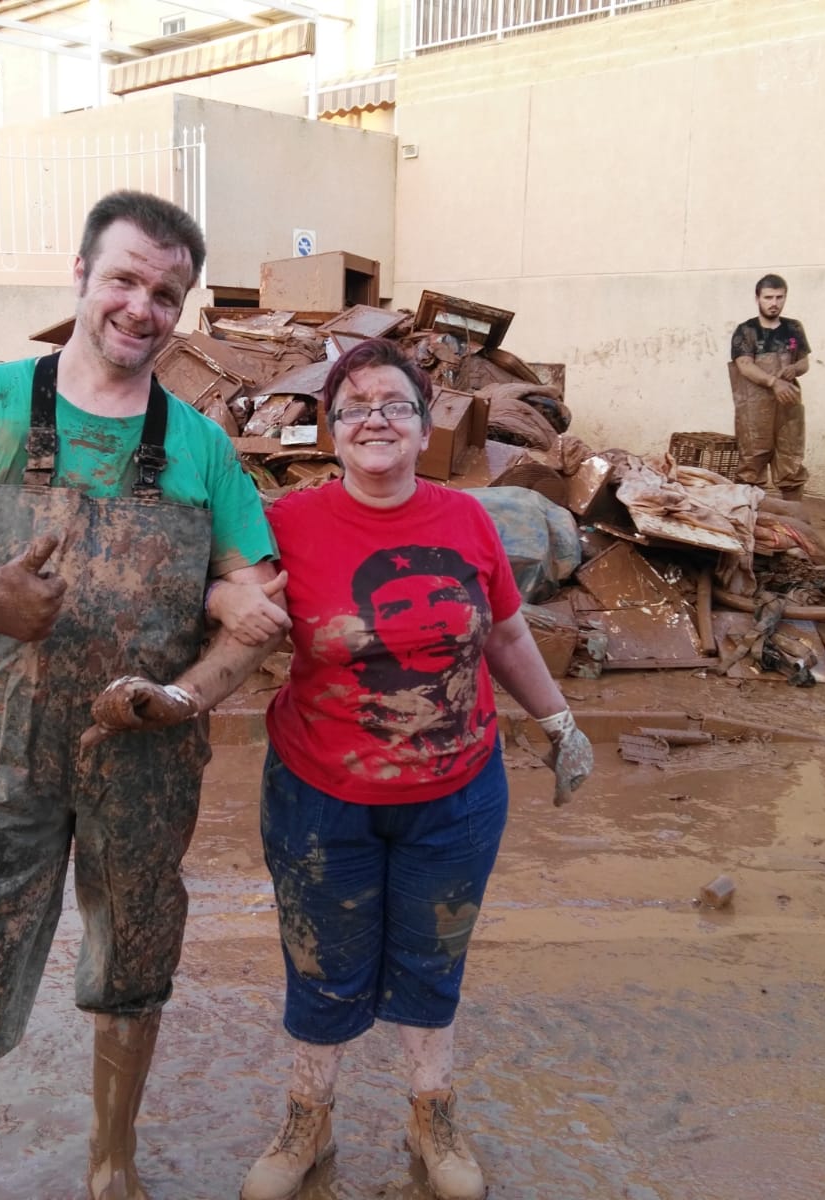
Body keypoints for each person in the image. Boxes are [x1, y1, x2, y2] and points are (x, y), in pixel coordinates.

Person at [0, 190, 286, 1200]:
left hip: (144, 764)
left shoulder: (200, 445)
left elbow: (252, 610)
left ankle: (112, 1167)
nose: (142, 308)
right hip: (7, 756)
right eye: (124, 280)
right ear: (80, 277)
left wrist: (185, 697)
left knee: (137, 952)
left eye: (166, 293)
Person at [214, 338, 596, 1200]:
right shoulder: (288, 527)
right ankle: (306, 1123)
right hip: (320, 795)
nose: (375, 419)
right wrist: (216, 607)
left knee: (434, 960)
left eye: (396, 405)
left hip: (456, 797)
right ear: (331, 430)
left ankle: (434, 1117)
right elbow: (229, 602)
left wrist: (560, 723)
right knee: (320, 963)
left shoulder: (468, 522)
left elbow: (502, 633)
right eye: (355, 407)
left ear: (425, 427)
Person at [729, 273, 813, 499]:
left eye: (779, 297)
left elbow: (804, 361)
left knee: (791, 462)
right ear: (757, 298)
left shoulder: (794, 328)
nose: (774, 303)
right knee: (751, 463)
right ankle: (749, 521)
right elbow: (744, 365)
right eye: (768, 297)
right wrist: (773, 382)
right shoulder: (745, 331)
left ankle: (793, 522)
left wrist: (795, 369)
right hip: (754, 408)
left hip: (789, 405)